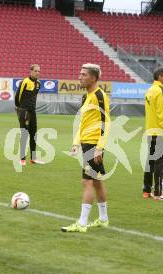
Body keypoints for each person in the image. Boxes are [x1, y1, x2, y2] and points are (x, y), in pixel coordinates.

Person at [61, 63, 110, 233]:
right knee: (96, 182)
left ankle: (82, 223)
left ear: (94, 78)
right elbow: (83, 123)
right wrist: (76, 142)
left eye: (84, 74)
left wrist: (99, 147)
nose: (79, 77)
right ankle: (103, 219)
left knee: (87, 181)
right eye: (80, 73)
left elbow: (106, 122)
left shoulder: (99, 95)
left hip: (93, 145)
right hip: (86, 143)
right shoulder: (85, 97)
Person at [143, 68, 163, 200]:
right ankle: (158, 193)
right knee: (159, 163)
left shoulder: (150, 90)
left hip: (150, 130)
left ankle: (146, 190)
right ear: (160, 77)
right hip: (160, 132)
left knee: (150, 161)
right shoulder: (160, 91)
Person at [15, 64, 43, 165]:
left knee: (34, 134)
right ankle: (22, 159)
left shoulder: (39, 84)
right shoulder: (25, 82)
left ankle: (33, 158)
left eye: (39, 71)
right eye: (35, 71)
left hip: (32, 112)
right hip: (24, 111)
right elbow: (17, 96)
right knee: (24, 135)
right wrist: (19, 108)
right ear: (30, 71)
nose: (37, 73)